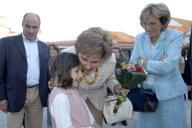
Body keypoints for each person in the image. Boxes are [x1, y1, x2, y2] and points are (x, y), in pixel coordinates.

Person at [129, 3, 187, 128]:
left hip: (170, 95)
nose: (148, 27)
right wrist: (157, 63)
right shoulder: (140, 38)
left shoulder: (175, 36)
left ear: (163, 22)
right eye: (145, 23)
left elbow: (168, 66)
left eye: (152, 23)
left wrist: (143, 62)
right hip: (146, 95)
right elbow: (132, 64)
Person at [62, 27, 125, 127]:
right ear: (77, 51)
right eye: (84, 59)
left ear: (104, 58)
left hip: (97, 99)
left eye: (94, 62)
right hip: (73, 97)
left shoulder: (109, 60)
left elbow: (110, 77)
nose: (88, 66)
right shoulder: (66, 56)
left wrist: (116, 86)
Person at [0, 12, 50, 128]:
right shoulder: (6, 43)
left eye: (35, 27)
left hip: (37, 95)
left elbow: (47, 74)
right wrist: (2, 97)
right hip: (14, 94)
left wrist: (49, 92)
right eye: (28, 26)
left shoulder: (44, 47)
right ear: (22, 24)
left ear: (39, 27)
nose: (31, 30)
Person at [48, 52, 96, 128]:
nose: (81, 75)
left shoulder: (73, 91)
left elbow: (85, 110)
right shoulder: (60, 98)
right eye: (77, 71)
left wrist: (93, 123)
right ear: (64, 71)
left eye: (81, 71)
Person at [47, 44, 59, 128]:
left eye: (54, 50)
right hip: (50, 91)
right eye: (50, 50)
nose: (52, 52)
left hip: (59, 90)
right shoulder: (45, 61)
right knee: (50, 114)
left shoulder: (60, 61)